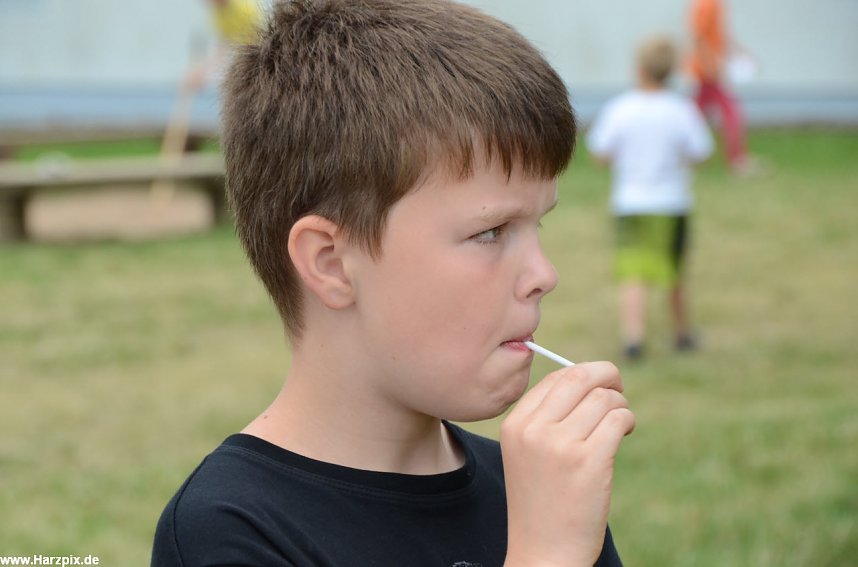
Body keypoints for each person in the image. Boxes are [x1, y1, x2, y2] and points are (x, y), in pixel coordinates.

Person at [151, 1, 636, 566]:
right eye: (491, 231)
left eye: (538, 224)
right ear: (332, 262)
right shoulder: (232, 529)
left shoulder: (531, 486)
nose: (543, 276)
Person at [587, 36, 714, 361]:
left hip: (631, 204)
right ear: (671, 71)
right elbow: (701, 152)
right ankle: (682, 333)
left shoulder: (621, 108)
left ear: (639, 68)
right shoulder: (681, 110)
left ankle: (633, 338)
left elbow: (600, 152)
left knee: (633, 271)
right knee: (674, 271)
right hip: (672, 203)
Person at [688, 0, 758, 175]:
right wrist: (709, 64)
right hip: (710, 69)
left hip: (712, 66)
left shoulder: (714, 3)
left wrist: (739, 50)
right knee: (731, 111)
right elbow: (699, 35)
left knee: (694, 114)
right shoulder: (706, 4)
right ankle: (737, 160)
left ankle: (687, 156)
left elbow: (720, 34)